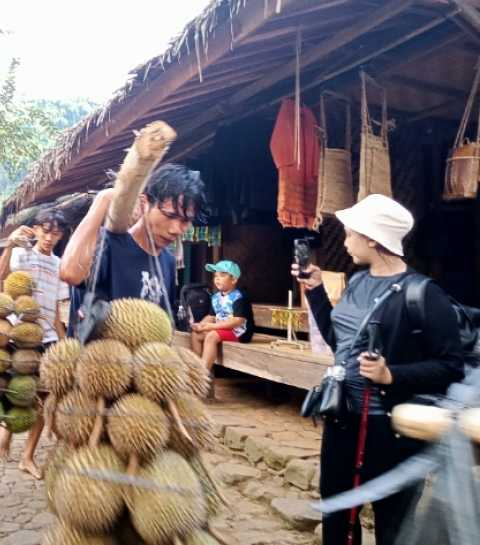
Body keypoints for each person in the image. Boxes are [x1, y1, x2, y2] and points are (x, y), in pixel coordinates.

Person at [294, 194, 464, 545]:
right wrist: (315, 291)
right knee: (336, 511)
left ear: (372, 238)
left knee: (391, 521)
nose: (344, 241)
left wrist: (392, 375)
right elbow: (340, 343)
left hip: (389, 430)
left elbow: (450, 366)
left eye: (350, 234)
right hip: (342, 419)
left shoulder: (423, 294)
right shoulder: (357, 281)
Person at [60, 164, 204, 327]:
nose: (176, 229)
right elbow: (69, 274)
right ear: (144, 203)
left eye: (186, 220)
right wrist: (104, 198)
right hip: (97, 352)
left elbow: (163, 322)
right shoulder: (106, 243)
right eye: (169, 215)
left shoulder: (168, 261)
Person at [0, 207, 69, 479]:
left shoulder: (60, 265)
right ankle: (7, 428)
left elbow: (58, 310)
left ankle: (27, 457)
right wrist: (10, 242)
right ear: (35, 229)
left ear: (61, 235)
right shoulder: (21, 253)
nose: (49, 237)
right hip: (21, 334)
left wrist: (64, 343)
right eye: (45, 230)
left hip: (48, 337)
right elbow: (1, 275)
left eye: (55, 232)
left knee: (43, 399)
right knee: (19, 392)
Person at [191, 260, 254, 371]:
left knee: (211, 336)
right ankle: (195, 368)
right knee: (196, 335)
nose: (217, 278)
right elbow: (211, 316)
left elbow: (238, 321)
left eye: (222, 275)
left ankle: (202, 373)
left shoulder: (239, 297)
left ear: (233, 280)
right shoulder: (215, 297)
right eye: (216, 276)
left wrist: (213, 327)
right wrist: (201, 325)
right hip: (221, 329)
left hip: (239, 332)